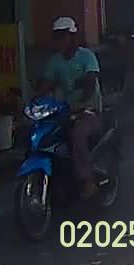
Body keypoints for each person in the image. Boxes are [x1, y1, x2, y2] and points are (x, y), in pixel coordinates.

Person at [41, 16, 103, 199]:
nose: (59, 40)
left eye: (63, 36)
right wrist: (33, 98)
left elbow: (91, 81)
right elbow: (47, 83)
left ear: (73, 36)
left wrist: (82, 103)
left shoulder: (87, 56)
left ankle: (86, 180)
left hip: (89, 111)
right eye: (57, 36)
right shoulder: (55, 61)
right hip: (64, 111)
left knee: (78, 134)